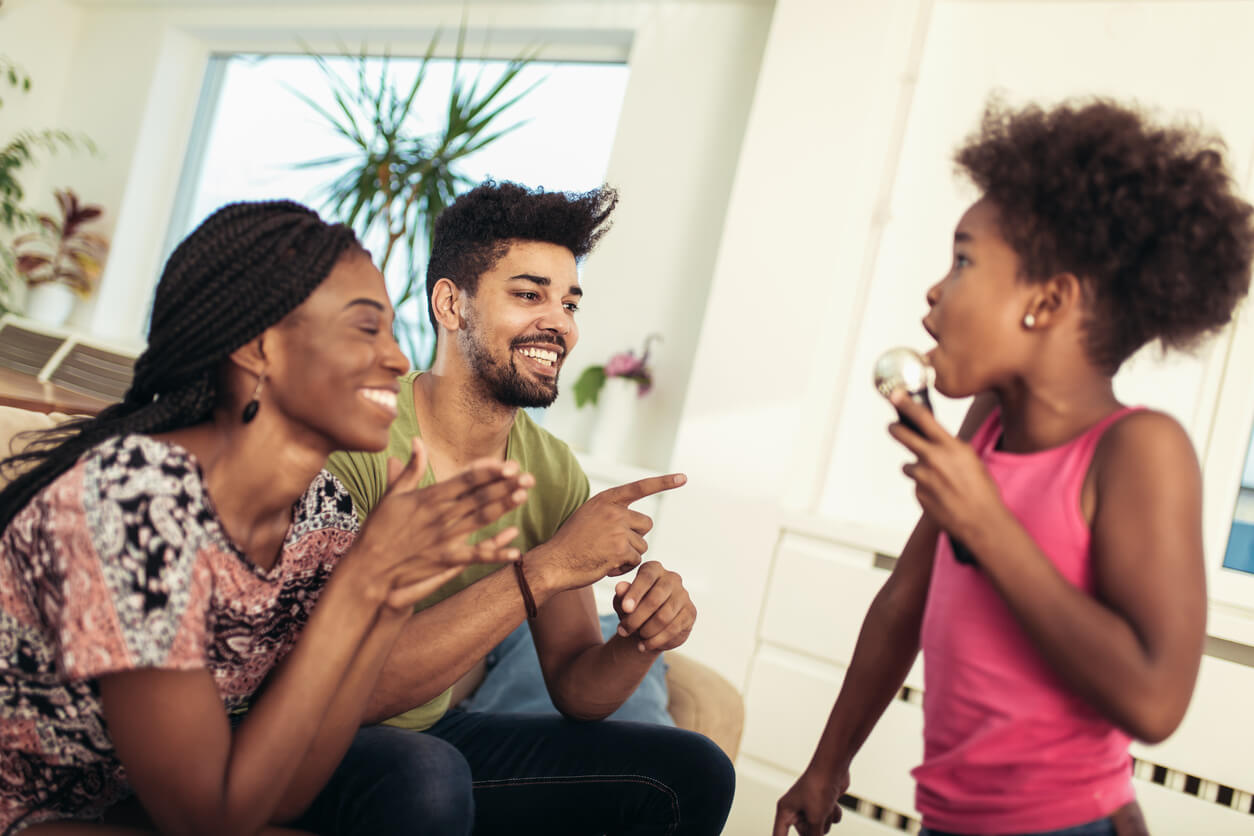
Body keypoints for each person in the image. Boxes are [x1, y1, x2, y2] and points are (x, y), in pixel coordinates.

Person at [774, 98, 1254, 836]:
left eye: (963, 260)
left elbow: (1156, 702)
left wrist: (989, 525)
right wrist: (827, 763)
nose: (936, 289)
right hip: (950, 822)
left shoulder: (1139, 451)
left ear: (1049, 301)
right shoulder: (986, 424)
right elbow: (906, 600)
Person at [0, 201, 531, 835]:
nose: (396, 357)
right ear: (259, 348)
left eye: (392, 330)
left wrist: (387, 599)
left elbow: (284, 796)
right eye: (366, 329)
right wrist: (361, 583)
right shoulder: (136, 500)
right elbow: (210, 822)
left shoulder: (323, 515)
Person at [323, 180, 735, 836]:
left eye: (569, 301)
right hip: (313, 736)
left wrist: (637, 639)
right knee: (430, 774)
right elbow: (349, 690)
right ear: (451, 304)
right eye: (528, 294)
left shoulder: (550, 472)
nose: (560, 323)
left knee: (692, 772)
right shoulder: (359, 436)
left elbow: (575, 685)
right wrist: (543, 569)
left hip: (433, 736)